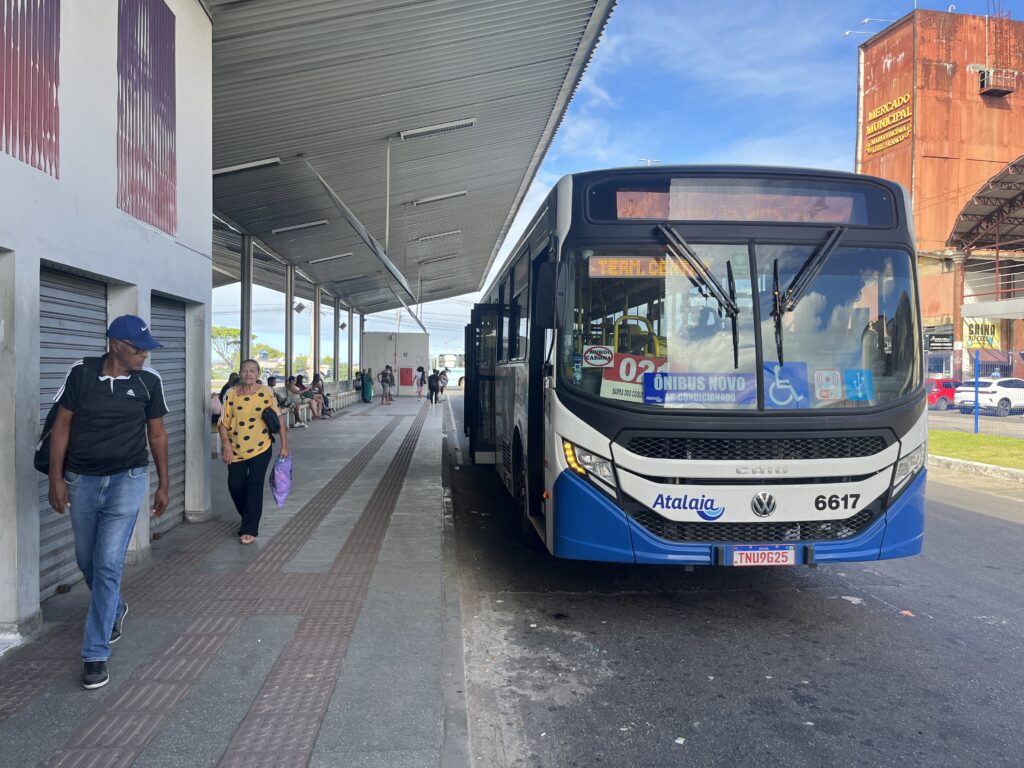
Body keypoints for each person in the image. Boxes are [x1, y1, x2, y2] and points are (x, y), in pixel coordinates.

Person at [47, 315, 169, 690]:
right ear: (115, 344)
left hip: (128, 480)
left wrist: (164, 484)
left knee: (108, 563)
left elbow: (157, 434)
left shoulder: (149, 383)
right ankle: (115, 608)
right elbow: (62, 425)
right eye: (137, 348)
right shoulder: (81, 374)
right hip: (82, 480)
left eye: (147, 349)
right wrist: (56, 478)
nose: (144, 355)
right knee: (87, 560)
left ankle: (95, 653)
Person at [218, 359, 288, 546]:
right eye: (244, 370)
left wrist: (284, 445)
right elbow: (223, 423)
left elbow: (279, 418)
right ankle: (247, 514)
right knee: (235, 485)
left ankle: (249, 528)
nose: (248, 374)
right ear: (239, 373)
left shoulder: (267, 393)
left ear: (258, 374)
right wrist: (226, 446)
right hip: (236, 448)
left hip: (261, 447)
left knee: (255, 484)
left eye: (252, 371)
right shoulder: (231, 394)